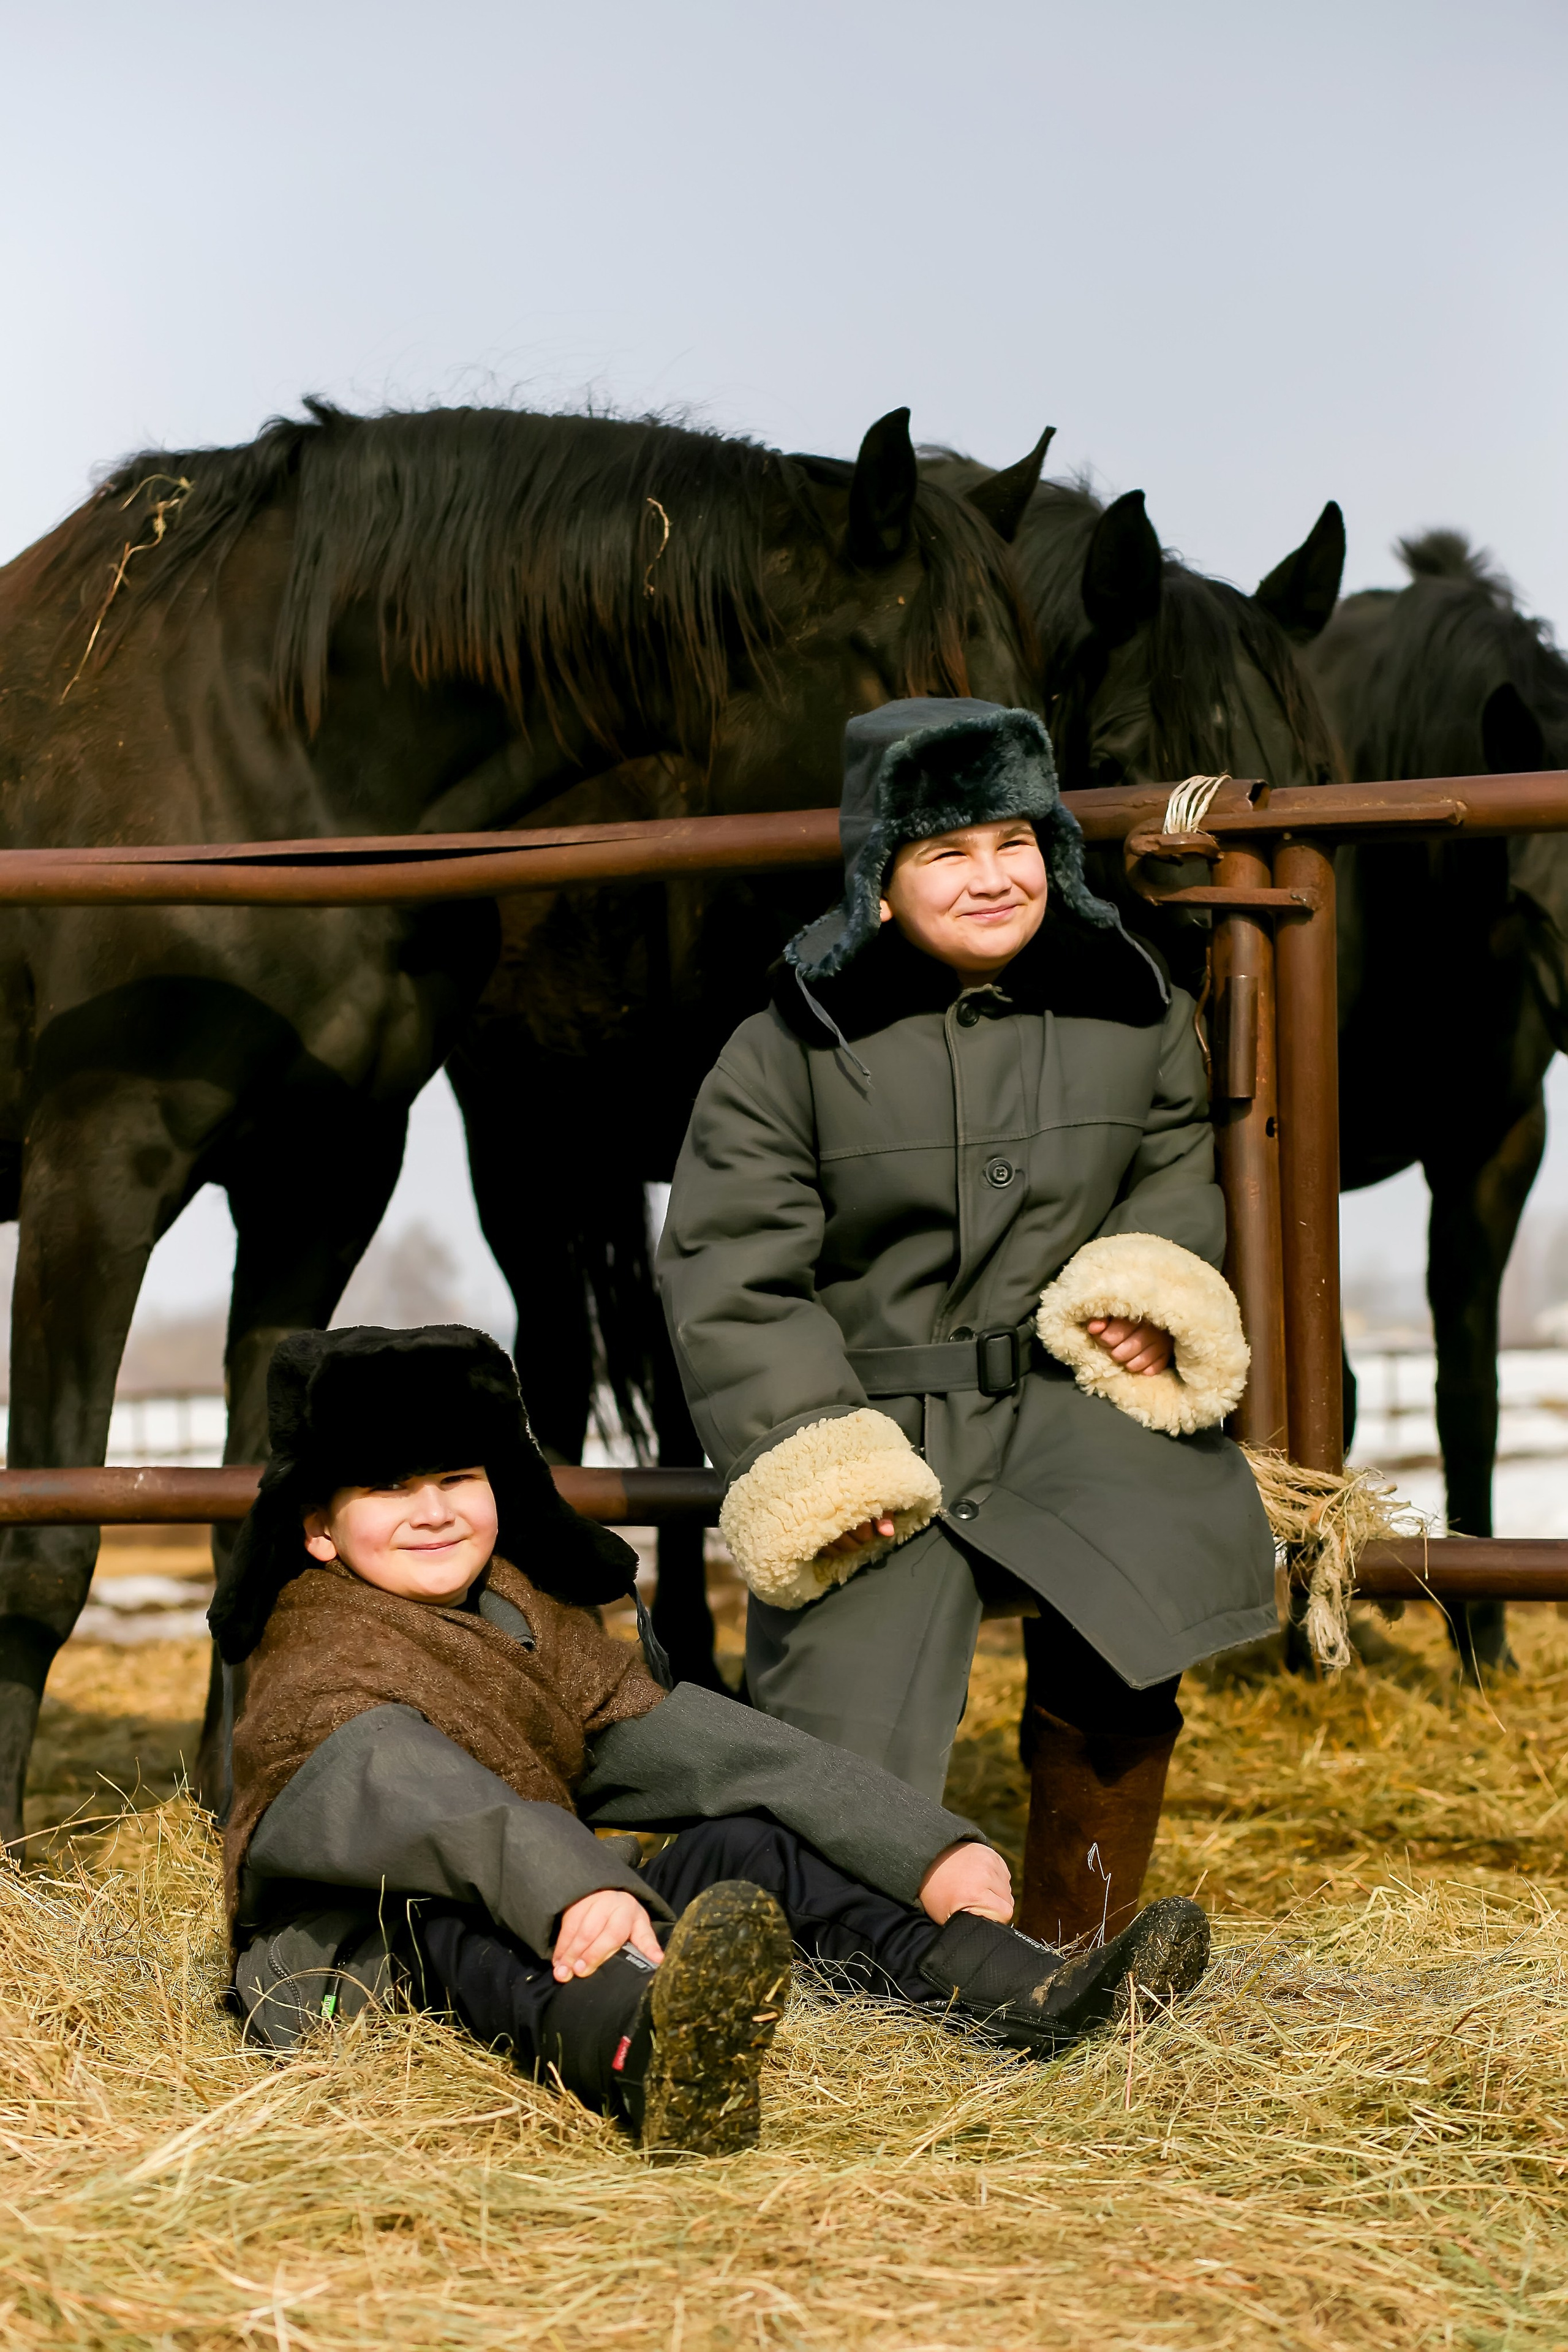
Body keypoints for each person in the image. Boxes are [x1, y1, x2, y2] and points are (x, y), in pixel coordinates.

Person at [210, 1322, 1210, 2160]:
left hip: (541, 1895)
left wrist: (927, 1848)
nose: (432, 1512)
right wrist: (580, 1887)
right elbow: (421, 1791)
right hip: (360, 1971)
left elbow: (717, 1749)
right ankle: (645, 2057)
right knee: (449, 1928)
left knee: (749, 1844)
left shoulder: (522, 1621)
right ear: (320, 1532)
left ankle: (1025, 1989)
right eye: (387, 1490)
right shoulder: (319, 1654)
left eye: (456, 1476)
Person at [657, 697, 1276, 1948]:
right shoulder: (787, 1045)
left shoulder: (1129, 1007)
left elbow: (1168, 1164)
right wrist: (818, 1447)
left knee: (1132, 1581)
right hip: (874, 1419)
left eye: (1016, 842)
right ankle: (864, 1967)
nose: (992, 878)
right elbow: (732, 1267)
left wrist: (1142, 1290)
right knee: (846, 1719)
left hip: (1063, 1401)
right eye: (946, 852)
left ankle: (1076, 1943)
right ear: (877, 882)